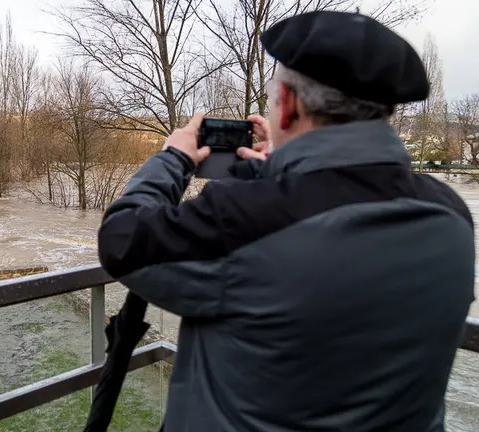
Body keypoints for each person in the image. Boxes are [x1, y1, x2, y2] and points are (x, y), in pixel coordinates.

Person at [97, 10, 475, 432]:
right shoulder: (451, 213)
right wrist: (283, 173)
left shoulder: (243, 216)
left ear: (290, 105)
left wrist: (174, 159)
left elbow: (121, 238)